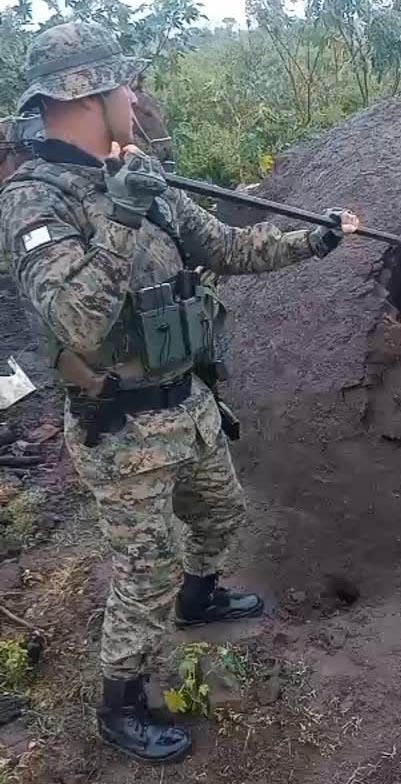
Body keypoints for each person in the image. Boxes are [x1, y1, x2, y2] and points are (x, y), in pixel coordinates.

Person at [0, 21, 359, 764]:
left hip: (186, 403)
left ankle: (201, 599)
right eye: (127, 85)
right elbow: (76, 317)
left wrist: (314, 240)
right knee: (144, 567)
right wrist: (125, 215)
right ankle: (121, 701)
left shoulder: (135, 175)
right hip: (121, 427)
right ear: (92, 95)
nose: (137, 98)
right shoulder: (38, 202)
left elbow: (226, 246)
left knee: (221, 513)